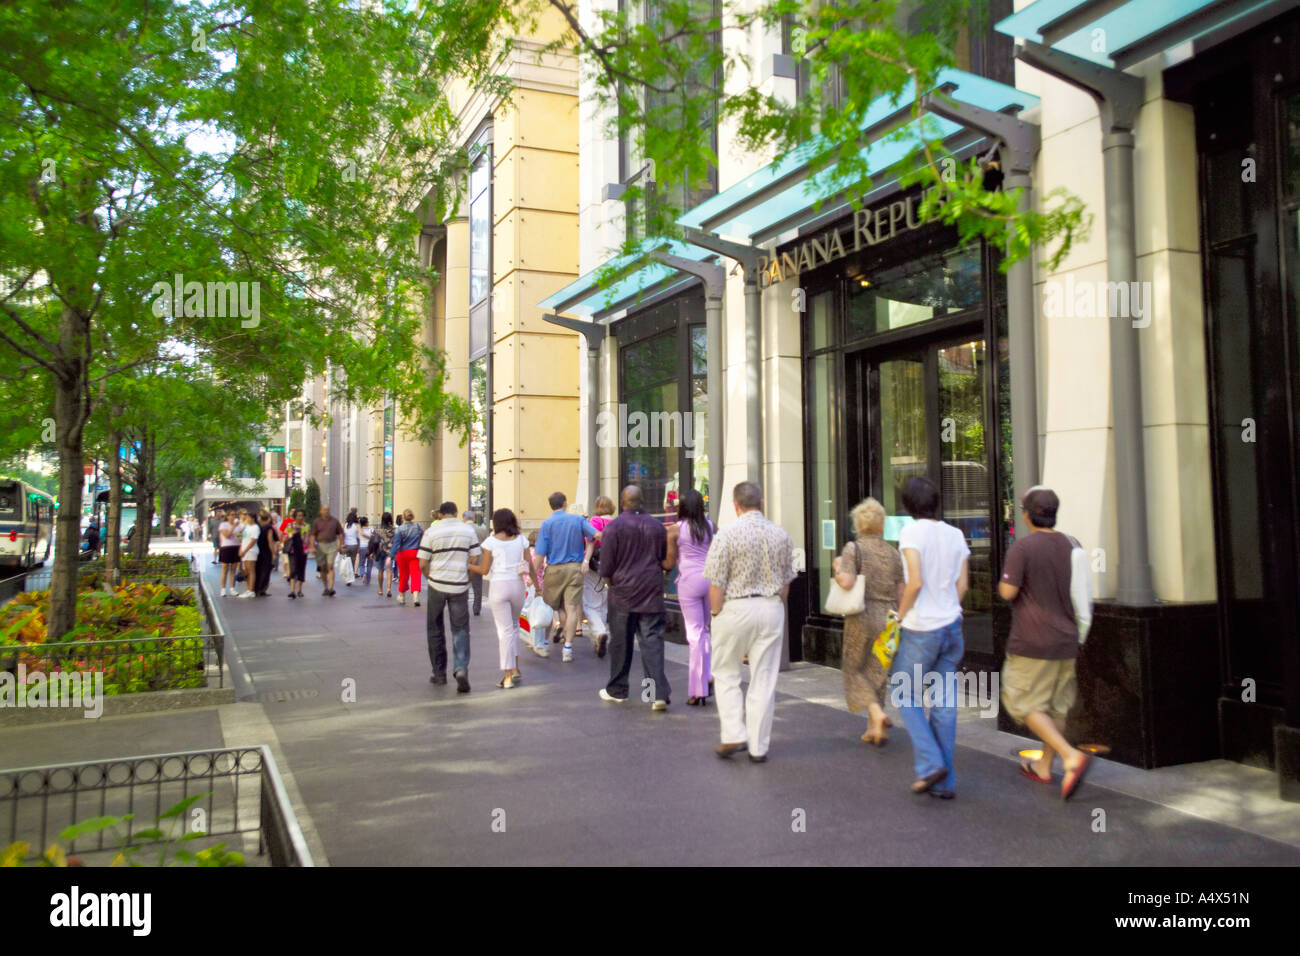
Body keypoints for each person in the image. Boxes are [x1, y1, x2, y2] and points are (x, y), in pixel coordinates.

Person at [999, 486, 1093, 801]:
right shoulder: (1072, 545)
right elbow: (1083, 596)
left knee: (1021, 702)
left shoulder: (1022, 548)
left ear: (1026, 515)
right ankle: (1044, 767)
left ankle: (1070, 756)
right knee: (1057, 707)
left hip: (1032, 641)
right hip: (1067, 640)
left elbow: (1008, 593)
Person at [704, 482, 796, 762]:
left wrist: (716, 613)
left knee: (726, 673)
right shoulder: (781, 534)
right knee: (764, 678)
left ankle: (733, 733)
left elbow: (716, 582)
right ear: (762, 501)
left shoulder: (727, 535)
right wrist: (775, 605)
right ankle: (759, 747)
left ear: (735, 504)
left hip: (735, 607)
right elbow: (786, 581)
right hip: (770, 606)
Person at [892, 476, 970, 800]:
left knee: (904, 693)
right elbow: (963, 585)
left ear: (908, 505)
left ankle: (930, 764)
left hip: (922, 628)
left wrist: (900, 616)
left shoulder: (911, 532)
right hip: (952, 626)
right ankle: (944, 781)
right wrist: (948, 608)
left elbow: (915, 582)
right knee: (944, 703)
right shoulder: (955, 534)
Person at [833, 497, 905, 745]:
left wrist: (837, 568)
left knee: (854, 668)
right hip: (890, 617)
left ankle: (876, 713)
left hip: (863, 614)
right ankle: (875, 729)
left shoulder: (854, 549)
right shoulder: (893, 552)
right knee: (878, 671)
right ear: (881, 524)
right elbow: (901, 591)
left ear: (859, 524)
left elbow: (848, 582)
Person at [597, 485, 673, 711]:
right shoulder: (657, 527)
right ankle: (654, 694)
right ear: (642, 502)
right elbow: (662, 559)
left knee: (621, 644)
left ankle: (618, 690)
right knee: (651, 644)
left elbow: (607, 566)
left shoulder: (614, 528)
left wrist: (611, 582)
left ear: (623, 501)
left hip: (623, 593)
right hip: (650, 591)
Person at [468, 508, 539, 690]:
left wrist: (467, 565)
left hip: (499, 586)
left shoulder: (490, 542)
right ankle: (515, 668)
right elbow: (529, 565)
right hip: (517, 585)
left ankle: (507, 675)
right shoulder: (521, 540)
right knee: (514, 627)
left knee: (505, 631)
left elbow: (484, 570)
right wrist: (538, 587)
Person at [418, 502, 482, 692]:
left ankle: (439, 674)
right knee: (460, 629)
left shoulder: (431, 532)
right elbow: (474, 558)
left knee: (434, 628)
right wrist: (467, 579)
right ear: (455, 513)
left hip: (437, 585)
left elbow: (422, 563)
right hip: (459, 586)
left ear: (440, 514)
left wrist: (431, 577)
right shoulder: (467, 531)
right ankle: (461, 668)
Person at [534, 491, 598, 663]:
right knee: (571, 608)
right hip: (574, 569)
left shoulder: (547, 524)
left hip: (554, 569)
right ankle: (568, 649)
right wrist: (586, 559)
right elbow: (596, 535)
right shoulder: (578, 520)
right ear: (565, 503)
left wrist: (532, 575)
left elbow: (539, 554)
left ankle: (545, 643)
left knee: (549, 607)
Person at [670, 488, 715, 707]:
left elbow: (669, 562)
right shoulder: (711, 527)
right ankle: (707, 675)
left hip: (688, 580)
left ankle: (698, 689)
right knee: (705, 630)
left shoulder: (675, 530)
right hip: (710, 579)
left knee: (694, 634)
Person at [581, 496, 616, 659]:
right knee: (602, 602)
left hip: (595, 566)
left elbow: (590, 542)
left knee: (589, 604)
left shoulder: (595, 521)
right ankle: (599, 637)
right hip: (611, 567)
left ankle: (600, 632)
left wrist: (586, 561)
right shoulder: (616, 523)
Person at [307, 505, 345, 597]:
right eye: (324, 510)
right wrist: (312, 546)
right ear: (321, 511)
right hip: (320, 545)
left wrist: (341, 545)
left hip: (332, 545)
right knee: (322, 568)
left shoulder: (334, 521)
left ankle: (331, 588)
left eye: (328, 510)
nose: (326, 511)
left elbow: (340, 534)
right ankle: (325, 588)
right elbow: (312, 535)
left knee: (330, 566)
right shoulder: (317, 522)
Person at [392, 509, 424, 606]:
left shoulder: (399, 529)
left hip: (403, 554)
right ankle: (415, 596)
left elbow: (396, 544)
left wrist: (390, 555)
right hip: (415, 552)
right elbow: (422, 538)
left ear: (403, 517)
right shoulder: (418, 527)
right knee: (416, 574)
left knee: (403, 575)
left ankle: (402, 596)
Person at [463, 511, 489, 616]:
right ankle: (476, 608)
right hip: (478, 561)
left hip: (463, 561)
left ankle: (463, 606)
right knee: (477, 586)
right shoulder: (482, 530)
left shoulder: (461, 530)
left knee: (463, 585)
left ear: (464, 519)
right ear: (473, 519)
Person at [253, 508, 280, 597]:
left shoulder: (256, 526)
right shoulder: (269, 528)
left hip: (257, 550)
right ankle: (262, 589)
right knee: (265, 570)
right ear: (268, 518)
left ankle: (255, 588)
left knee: (257, 569)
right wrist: (273, 553)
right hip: (266, 551)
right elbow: (270, 541)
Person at [284, 509, 308, 599]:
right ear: (295, 517)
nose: (300, 517)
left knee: (301, 569)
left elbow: (307, 539)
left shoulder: (305, 526)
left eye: (302, 515)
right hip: (292, 550)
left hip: (302, 551)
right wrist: (291, 534)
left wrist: (304, 537)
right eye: (298, 515)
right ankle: (292, 590)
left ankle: (299, 590)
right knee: (293, 569)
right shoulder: (290, 526)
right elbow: (285, 537)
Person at [236, 511, 260, 599]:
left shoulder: (255, 527)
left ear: (253, 518)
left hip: (251, 551)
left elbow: (253, 540)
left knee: (251, 570)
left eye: (248, 518)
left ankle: (251, 590)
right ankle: (248, 589)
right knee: (244, 570)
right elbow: (243, 538)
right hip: (244, 550)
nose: (247, 519)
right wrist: (240, 549)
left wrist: (245, 550)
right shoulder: (247, 527)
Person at [218, 510, 241, 596]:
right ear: (227, 516)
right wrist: (233, 527)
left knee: (233, 569)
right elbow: (227, 535)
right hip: (226, 547)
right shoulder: (223, 525)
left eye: (234, 515)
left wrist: (240, 533)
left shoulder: (238, 526)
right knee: (225, 568)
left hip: (235, 547)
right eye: (231, 515)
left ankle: (232, 588)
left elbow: (239, 537)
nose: (233, 516)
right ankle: (223, 589)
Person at [373, 513, 395, 597]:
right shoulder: (393, 529)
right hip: (389, 551)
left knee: (380, 570)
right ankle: (388, 589)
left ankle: (380, 589)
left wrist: (373, 552)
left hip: (380, 550)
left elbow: (374, 541)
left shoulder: (378, 528)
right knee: (389, 570)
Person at [342, 511, 362, 585]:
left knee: (347, 561)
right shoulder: (356, 525)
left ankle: (347, 577)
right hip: (354, 545)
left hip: (346, 545)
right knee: (352, 562)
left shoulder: (345, 525)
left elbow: (341, 533)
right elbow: (360, 534)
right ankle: (350, 578)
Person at [357, 516, 374, 585]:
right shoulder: (371, 529)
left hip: (362, 547)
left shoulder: (359, 530)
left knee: (361, 564)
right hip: (370, 548)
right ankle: (368, 579)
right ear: (367, 523)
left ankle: (362, 573)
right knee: (369, 565)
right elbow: (374, 537)